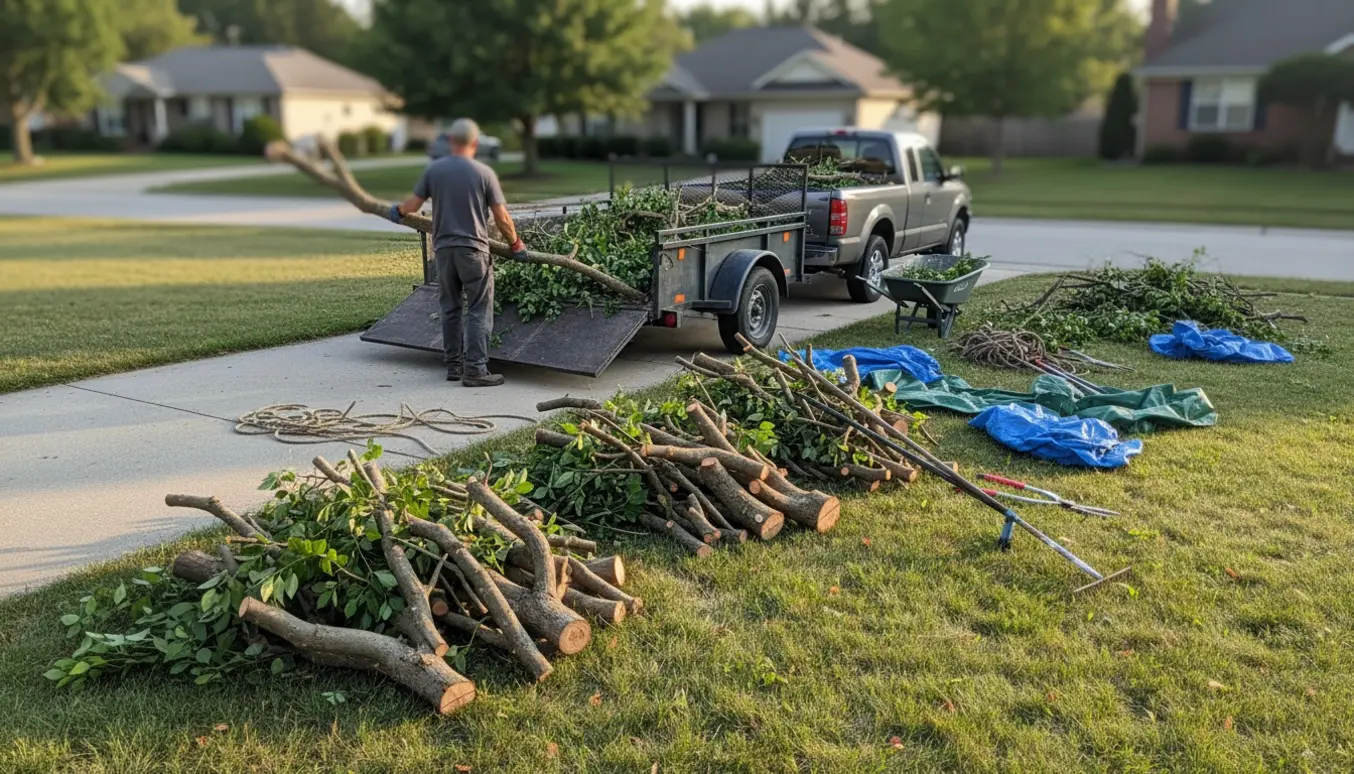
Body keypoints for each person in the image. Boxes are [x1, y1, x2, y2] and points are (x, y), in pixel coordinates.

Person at [389, 119, 526, 387]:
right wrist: (516, 243)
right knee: (477, 309)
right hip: (473, 251)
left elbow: (412, 205)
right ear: (475, 143)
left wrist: (399, 211)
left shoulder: (434, 170)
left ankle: (454, 366)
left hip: (443, 252)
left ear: (451, 141)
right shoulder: (484, 173)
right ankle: (475, 370)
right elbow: (501, 217)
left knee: (450, 308)